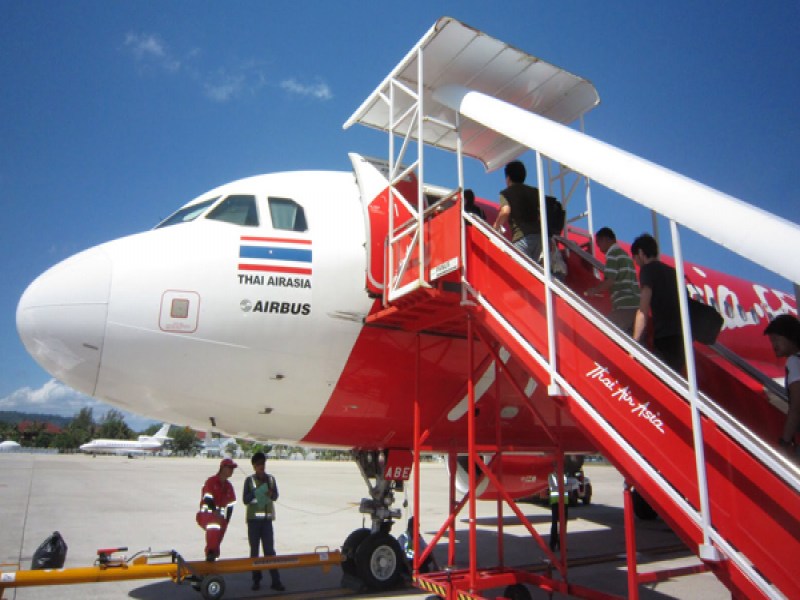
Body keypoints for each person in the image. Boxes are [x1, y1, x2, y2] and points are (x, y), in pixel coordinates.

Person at [630, 233, 685, 373]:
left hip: (665, 336)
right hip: (682, 337)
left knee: (660, 376)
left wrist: (634, 344)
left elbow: (643, 310)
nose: (636, 262)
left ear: (641, 253)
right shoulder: (672, 272)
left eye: (635, 257)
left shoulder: (648, 270)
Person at [584, 227, 640, 333]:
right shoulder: (625, 255)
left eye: (599, 243)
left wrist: (594, 290)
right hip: (636, 305)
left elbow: (610, 280)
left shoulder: (612, 255)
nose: (599, 248)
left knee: (605, 331)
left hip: (624, 305)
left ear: (606, 239)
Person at [243, 452, 284, 591]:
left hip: (267, 521)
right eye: (258, 464)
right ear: (254, 466)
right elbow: (245, 500)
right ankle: (256, 580)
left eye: (263, 464)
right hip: (254, 521)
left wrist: (271, 493)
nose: (261, 467)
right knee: (254, 552)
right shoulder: (249, 481)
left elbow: (276, 496)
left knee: (270, 551)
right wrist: (256, 492)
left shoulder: (271, 479)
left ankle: (275, 581)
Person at [764, 314, 800, 457]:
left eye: (776, 339)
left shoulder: (794, 361)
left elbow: (797, 405)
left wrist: (785, 441)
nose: (773, 345)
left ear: (790, 337)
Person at [493, 160, 543, 262]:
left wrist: (496, 226)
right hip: (538, 238)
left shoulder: (506, 193)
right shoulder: (534, 192)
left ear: (508, 178)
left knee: (518, 267)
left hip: (521, 238)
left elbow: (505, 211)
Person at [196, 458, 237, 562]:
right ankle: (210, 553)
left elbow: (231, 505)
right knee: (214, 525)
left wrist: (226, 521)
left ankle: (214, 558)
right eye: (230, 468)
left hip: (220, 518)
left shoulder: (228, 486)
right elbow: (207, 498)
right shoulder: (211, 481)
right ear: (222, 468)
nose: (232, 471)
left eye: (233, 469)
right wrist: (215, 511)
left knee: (217, 537)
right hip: (206, 514)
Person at [548, 471, 569, 552]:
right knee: (555, 524)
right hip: (556, 502)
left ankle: (561, 545)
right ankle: (553, 545)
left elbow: (569, 487)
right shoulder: (552, 476)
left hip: (564, 502)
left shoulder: (564, 476)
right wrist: (565, 487)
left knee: (563, 525)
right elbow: (554, 488)